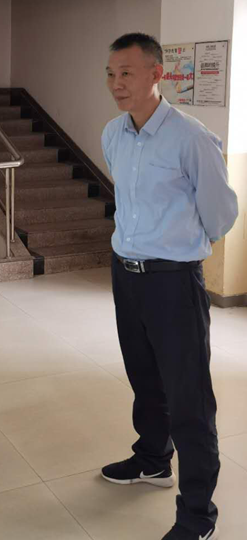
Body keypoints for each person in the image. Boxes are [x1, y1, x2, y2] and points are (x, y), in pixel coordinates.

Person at [101, 33, 238, 540]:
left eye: (127, 73)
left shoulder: (190, 137)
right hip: (126, 274)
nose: (116, 83)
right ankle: (154, 459)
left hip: (173, 281)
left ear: (157, 74)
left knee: (189, 398)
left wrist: (180, 244)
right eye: (111, 74)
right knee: (145, 378)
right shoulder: (113, 134)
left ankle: (197, 514)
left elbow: (221, 213)